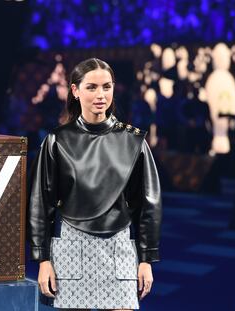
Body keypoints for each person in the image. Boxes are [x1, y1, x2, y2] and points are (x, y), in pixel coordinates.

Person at [28, 58, 162, 310]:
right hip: (72, 246)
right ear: (75, 91)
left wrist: (146, 259)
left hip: (118, 246)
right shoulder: (57, 141)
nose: (101, 95)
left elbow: (149, 204)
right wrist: (43, 259)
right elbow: (40, 203)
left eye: (106, 86)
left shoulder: (133, 140)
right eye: (91, 87)